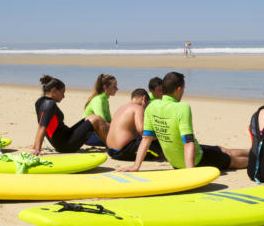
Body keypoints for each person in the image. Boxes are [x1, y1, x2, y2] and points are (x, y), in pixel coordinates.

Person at [117, 71, 249, 171]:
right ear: (179, 89)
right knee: (232, 160)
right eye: (183, 89)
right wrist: (190, 173)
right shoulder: (182, 108)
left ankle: (252, 151)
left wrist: (136, 166)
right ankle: (257, 160)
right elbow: (188, 143)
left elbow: (146, 139)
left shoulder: (152, 107)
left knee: (221, 149)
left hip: (176, 160)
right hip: (195, 160)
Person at [33, 75, 108, 154]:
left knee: (91, 117)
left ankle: (109, 142)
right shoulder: (50, 104)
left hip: (65, 136)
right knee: (96, 119)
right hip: (65, 144)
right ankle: (111, 146)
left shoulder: (40, 101)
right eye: (62, 93)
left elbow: (41, 122)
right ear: (54, 91)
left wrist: (35, 145)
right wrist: (37, 149)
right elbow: (42, 127)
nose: (64, 96)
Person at [106, 89, 163, 161]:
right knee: (155, 143)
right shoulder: (139, 108)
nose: (145, 108)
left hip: (110, 150)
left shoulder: (121, 108)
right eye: (147, 105)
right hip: (122, 151)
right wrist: (158, 136)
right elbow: (142, 131)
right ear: (144, 98)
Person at [83, 74, 118, 146]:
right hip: (90, 136)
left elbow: (109, 120)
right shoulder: (98, 100)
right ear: (105, 87)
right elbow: (102, 122)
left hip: (100, 132)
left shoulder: (105, 99)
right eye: (114, 87)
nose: (117, 89)